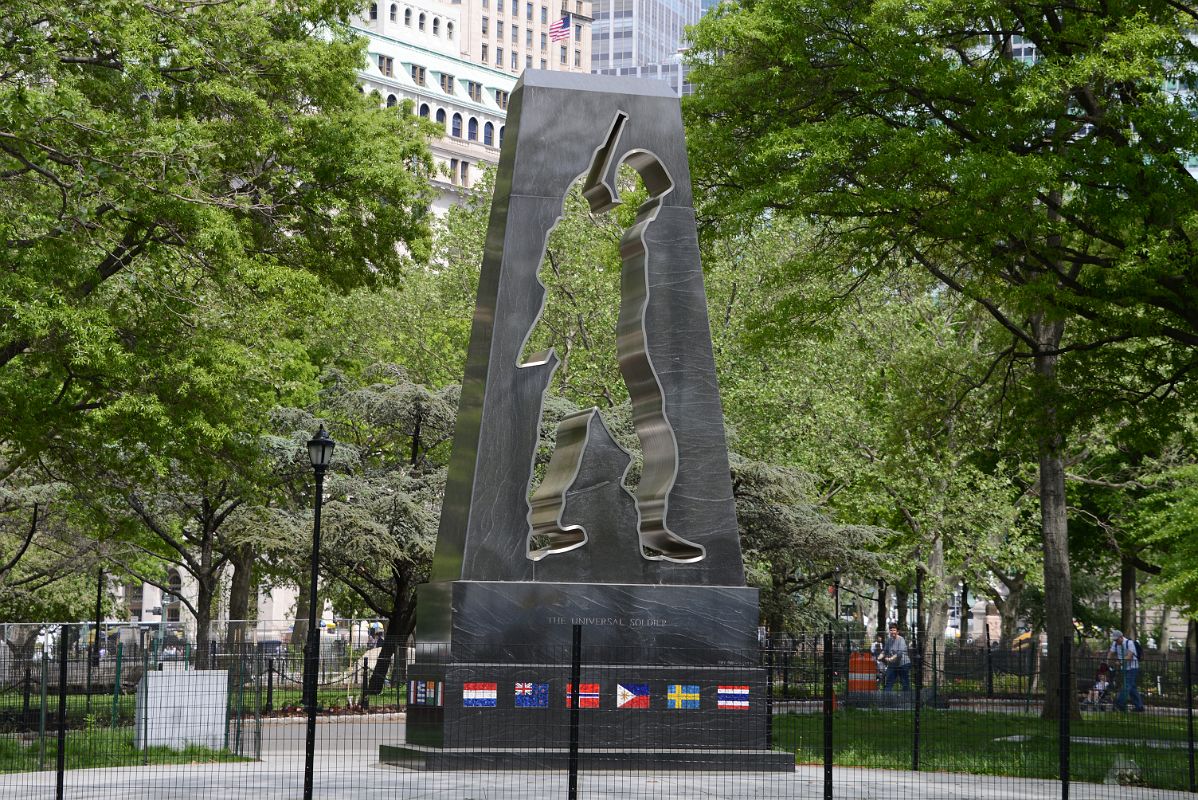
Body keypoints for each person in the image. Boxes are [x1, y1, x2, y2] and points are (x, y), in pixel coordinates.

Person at [1108, 630, 1146, 712]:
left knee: (1126, 686)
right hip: (1124, 668)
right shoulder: (1115, 643)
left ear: (1121, 637)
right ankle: (1139, 707)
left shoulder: (1129, 643)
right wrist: (1107, 661)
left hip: (1132, 667)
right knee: (1132, 687)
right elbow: (1110, 652)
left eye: (1117, 640)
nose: (1116, 642)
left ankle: (1119, 705)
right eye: (1114, 640)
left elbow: (1129, 657)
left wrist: (1120, 662)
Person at [882, 623, 911, 692]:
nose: (892, 632)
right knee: (889, 683)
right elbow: (885, 651)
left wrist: (890, 658)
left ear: (897, 631)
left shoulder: (901, 639)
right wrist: (880, 656)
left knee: (905, 683)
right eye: (891, 630)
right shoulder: (888, 640)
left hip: (903, 664)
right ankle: (886, 700)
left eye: (894, 630)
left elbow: (900, 652)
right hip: (892, 665)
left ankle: (906, 700)